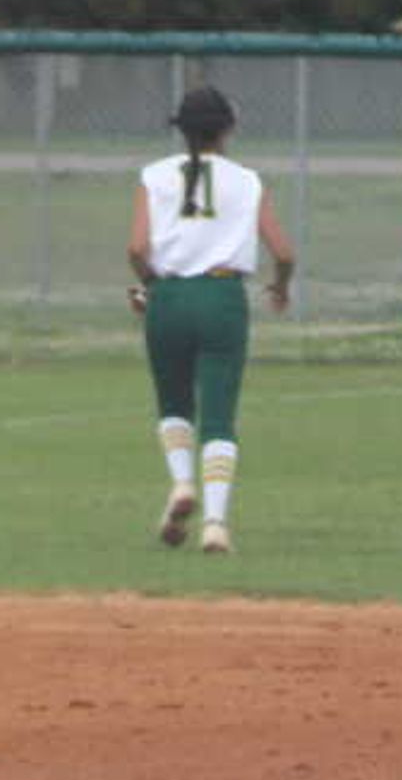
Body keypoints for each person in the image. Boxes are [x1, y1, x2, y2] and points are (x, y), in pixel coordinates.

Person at [127, 84, 296, 554]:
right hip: (222, 296)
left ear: (181, 131)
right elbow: (283, 252)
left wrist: (151, 287)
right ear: (227, 130)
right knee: (219, 417)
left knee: (174, 404)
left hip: (170, 296)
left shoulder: (154, 176)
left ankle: (182, 485)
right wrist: (281, 286)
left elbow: (137, 248)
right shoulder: (246, 180)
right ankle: (216, 523)